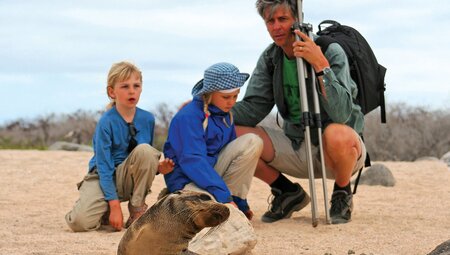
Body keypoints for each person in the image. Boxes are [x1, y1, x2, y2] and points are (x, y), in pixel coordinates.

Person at [231, 0, 366, 224]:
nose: (276, 27)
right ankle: (286, 192)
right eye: (270, 21)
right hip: (296, 143)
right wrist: (208, 110)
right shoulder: (270, 58)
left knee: (336, 133)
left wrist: (320, 65)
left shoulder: (330, 50)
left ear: (297, 20)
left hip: (337, 152)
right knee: (231, 133)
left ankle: (342, 193)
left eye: (283, 19)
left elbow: (342, 113)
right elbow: (253, 109)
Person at [65, 61, 174, 232]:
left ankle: (137, 210)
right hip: (102, 177)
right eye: (125, 86)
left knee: (146, 150)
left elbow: (142, 158)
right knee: (80, 223)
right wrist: (114, 205)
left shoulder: (148, 119)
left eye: (136, 86)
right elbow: (104, 166)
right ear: (111, 91)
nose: (132, 91)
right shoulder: (106, 122)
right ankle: (104, 207)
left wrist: (158, 168)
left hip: (127, 179)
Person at [163, 62, 263, 219]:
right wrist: (223, 196)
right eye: (226, 97)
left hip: (212, 174)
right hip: (186, 178)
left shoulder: (226, 115)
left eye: (235, 96)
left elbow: (231, 157)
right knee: (208, 213)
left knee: (252, 141)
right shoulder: (188, 117)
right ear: (209, 93)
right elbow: (193, 161)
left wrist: (237, 201)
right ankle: (177, 198)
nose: (231, 102)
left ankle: (233, 202)